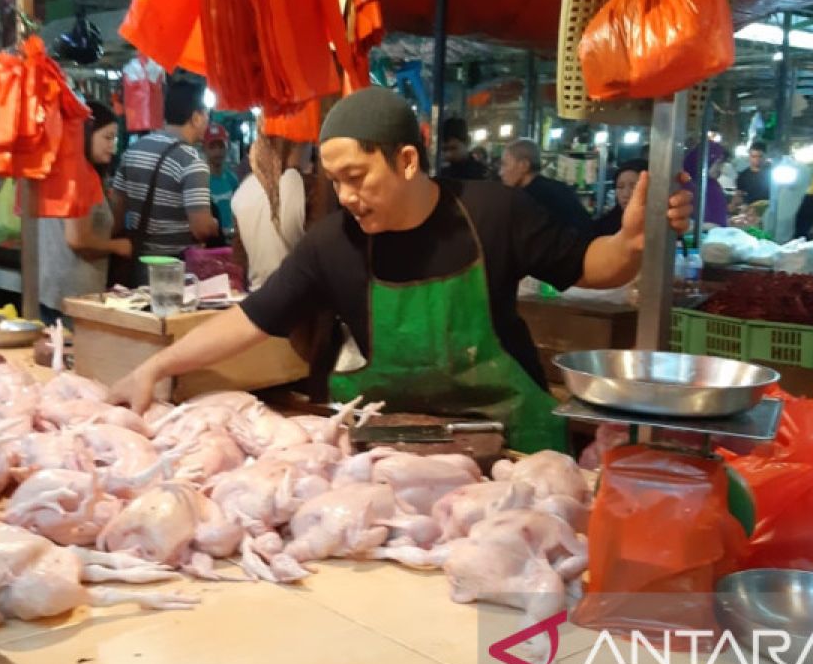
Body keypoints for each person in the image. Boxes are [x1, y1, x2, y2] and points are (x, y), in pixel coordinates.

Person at [108, 89, 693, 452]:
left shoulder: (494, 211)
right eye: (334, 181)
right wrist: (154, 368)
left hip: (513, 444)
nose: (345, 196)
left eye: (357, 177)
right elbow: (251, 320)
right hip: (394, 450)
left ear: (407, 160)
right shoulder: (331, 243)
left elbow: (596, 268)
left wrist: (632, 240)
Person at [109, 80, 219, 285]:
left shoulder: (133, 152)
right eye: (205, 115)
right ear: (195, 118)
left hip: (136, 265)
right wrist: (215, 225)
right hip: (174, 270)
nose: (207, 121)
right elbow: (201, 228)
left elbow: (115, 217)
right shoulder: (192, 162)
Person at [39, 102, 132, 328]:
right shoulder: (77, 174)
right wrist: (118, 246)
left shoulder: (60, 168)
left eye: (115, 139)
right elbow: (77, 239)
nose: (112, 146)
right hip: (72, 295)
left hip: (54, 290)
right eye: (108, 138)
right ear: (87, 134)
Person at [231, 132, 315, 290]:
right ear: (298, 144)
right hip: (302, 299)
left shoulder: (244, 188)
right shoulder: (305, 186)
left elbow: (239, 260)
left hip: (257, 295)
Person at [499, 138, 594, 234]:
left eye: (505, 165)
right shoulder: (559, 187)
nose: (500, 173)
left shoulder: (528, 199)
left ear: (524, 165)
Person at [592, 159, 647, 237]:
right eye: (620, 187)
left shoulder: (660, 225)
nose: (625, 194)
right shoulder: (603, 228)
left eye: (634, 187)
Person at [680, 141, 729, 229]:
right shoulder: (686, 186)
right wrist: (709, 226)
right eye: (718, 163)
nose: (721, 168)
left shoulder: (713, 185)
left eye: (722, 163)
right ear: (705, 162)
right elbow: (681, 224)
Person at [205, 123, 239, 235]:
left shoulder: (232, 179)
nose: (217, 152)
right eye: (212, 147)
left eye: (221, 146)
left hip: (231, 239)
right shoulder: (200, 181)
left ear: (227, 147)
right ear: (204, 148)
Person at [735, 141, 772, 205]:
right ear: (749, 157)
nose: (757, 159)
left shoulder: (772, 175)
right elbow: (739, 195)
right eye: (754, 156)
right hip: (748, 210)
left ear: (766, 157)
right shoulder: (743, 175)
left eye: (760, 156)